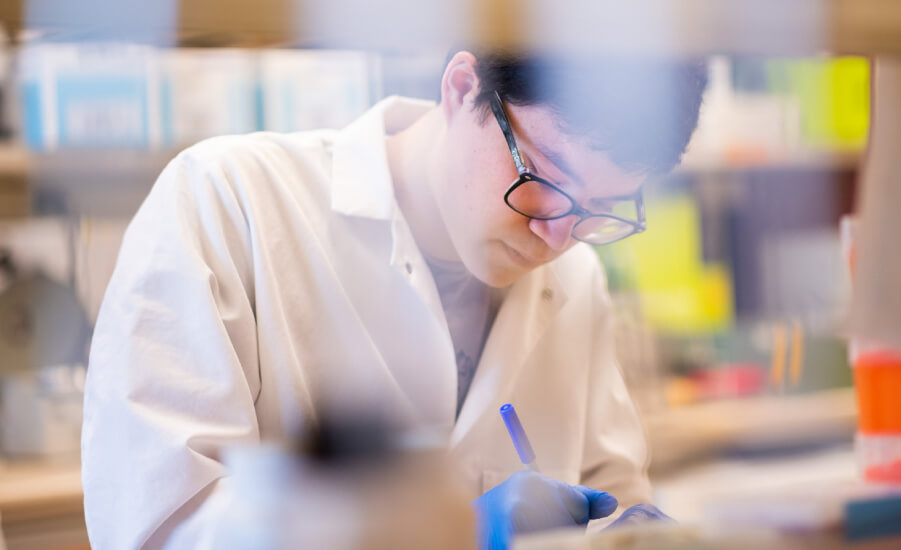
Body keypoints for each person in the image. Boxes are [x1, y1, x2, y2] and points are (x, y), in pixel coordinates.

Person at [81, 49, 706, 549]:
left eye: (603, 209)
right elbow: (158, 528)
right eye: (547, 182)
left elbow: (615, 502)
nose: (560, 235)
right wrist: (448, 532)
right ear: (463, 88)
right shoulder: (229, 201)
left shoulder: (578, 282)